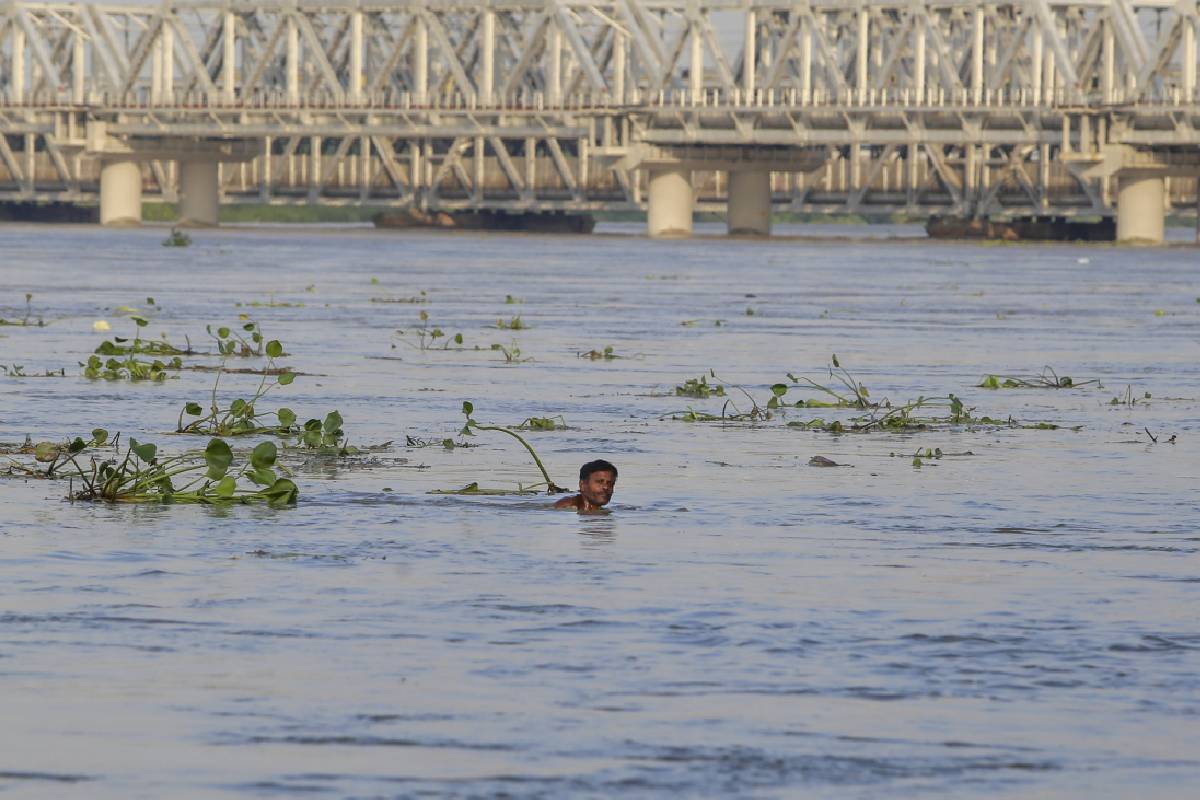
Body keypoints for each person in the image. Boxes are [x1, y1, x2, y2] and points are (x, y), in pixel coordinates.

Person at [553, 459, 618, 512]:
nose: (606, 487)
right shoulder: (565, 506)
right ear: (582, 485)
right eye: (599, 482)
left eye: (610, 483)